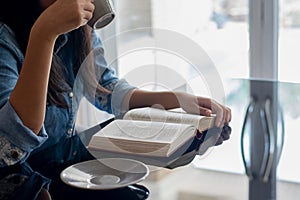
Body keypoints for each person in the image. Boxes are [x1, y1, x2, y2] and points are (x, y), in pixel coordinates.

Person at [0, 0, 232, 199]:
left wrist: (178, 100)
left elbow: (106, 90)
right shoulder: (6, 37)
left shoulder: (78, 29)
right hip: (23, 177)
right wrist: (44, 32)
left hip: (67, 161)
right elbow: (11, 144)